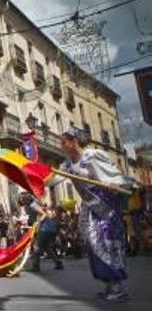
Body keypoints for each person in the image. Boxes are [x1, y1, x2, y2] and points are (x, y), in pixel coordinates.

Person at [55, 127, 134, 301]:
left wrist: (115, 184)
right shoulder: (67, 164)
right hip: (90, 208)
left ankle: (118, 287)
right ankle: (109, 284)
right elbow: (53, 179)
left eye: (64, 142)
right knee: (93, 244)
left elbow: (112, 175)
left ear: (74, 141)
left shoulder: (91, 156)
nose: (62, 146)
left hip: (105, 207)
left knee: (107, 243)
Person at [32, 204, 63, 272]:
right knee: (46, 247)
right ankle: (58, 262)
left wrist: (38, 222)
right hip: (50, 230)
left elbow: (44, 216)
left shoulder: (42, 211)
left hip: (44, 230)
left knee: (36, 247)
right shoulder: (48, 211)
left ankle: (36, 266)